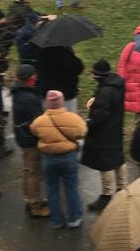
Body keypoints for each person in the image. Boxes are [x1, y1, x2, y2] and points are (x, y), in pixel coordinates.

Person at [30, 90, 87, 229]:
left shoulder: (39, 121)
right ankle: (74, 219)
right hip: (68, 157)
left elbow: (33, 131)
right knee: (71, 187)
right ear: (62, 102)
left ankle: (56, 221)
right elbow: (82, 132)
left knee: (51, 189)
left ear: (47, 104)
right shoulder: (73, 118)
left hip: (48, 159)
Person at [82, 59, 128, 212]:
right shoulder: (117, 85)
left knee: (106, 164)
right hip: (116, 128)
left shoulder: (105, 92)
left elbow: (99, 116)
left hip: (104, 133)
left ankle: (106, 195)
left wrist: (88, 120)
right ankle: (123, 189)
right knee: (118, 158)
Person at [12, 64, 49, 218]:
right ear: (29, 79)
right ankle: (35, 206)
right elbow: (38, 122)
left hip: (23, 137)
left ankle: (31, 199)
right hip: (30, 140)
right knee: (34, 172)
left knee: (28, 171)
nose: (36, 78)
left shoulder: (19, 92)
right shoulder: (29, 99)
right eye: (34, 76)